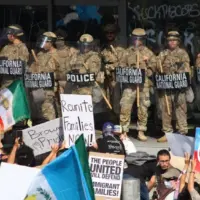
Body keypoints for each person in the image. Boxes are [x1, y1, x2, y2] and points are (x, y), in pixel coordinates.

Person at [119, 28, 157, 141]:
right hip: (130, 85)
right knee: (125, 106)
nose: (137, 40)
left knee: (143, 107)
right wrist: (128, 72)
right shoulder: (126, 52)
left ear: (143, 39)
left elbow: (154, 68)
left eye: (139, 39)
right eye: (135, 38)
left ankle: (141, 130)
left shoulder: (148, 52)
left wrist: (147, 62)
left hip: (143, 84)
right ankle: (124, 130)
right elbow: (121, 67)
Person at [157, 31, 190, 142]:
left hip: (178, 88)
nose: (172, 42)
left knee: (180, 109)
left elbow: (187, 70)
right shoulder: (163, 53)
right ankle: (167, 133)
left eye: (174, 40)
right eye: (170, 40)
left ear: (178, 42)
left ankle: (182, 133)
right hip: (166, 88)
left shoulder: (183, 53)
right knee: (165, 110)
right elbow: (157, 67)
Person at [30, 32, 61, 121]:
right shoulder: (40, 54)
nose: (42, 44)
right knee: (39, 113)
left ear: (51, 43)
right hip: (38, 87)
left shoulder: (57, 54)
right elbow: (33, 68)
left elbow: (61, 73)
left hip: (49, 88)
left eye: (45, 42)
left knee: (48, 112)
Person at [66, 34, 104, 101]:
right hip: (75, 87)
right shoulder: (75, 56)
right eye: (82, 45)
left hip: (89, 88)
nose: (85, 48)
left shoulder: (94, 57)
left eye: (87, 46)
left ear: (91, 46)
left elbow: (93, 72)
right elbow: (68, 68)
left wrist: (78, 71)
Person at [101, 24, 124, 114]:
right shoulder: (104, 47)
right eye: (107, 33)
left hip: (116, 78)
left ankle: (117, 119)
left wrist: (110, 67)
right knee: (106, 99)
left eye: (112, 33)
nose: (109, 34)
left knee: (116, 99)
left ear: (115, 34)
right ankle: (108, 118)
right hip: (105, 78)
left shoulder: (120, 48)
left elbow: (123, 63)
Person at [0, 24, 29, 89]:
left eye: (8, 34)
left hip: (15, 84)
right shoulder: (6, 47)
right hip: (5, 83)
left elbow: (22, 66)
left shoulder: (22, 48)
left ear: (13, 35)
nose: (7, 36)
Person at [54, 28, 77, 94]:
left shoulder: (71, 50)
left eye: (60, 39)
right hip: (58, 82)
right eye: (57, 40)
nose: (58, 41)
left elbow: (76, 67)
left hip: (70, 82)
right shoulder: (53, 52)